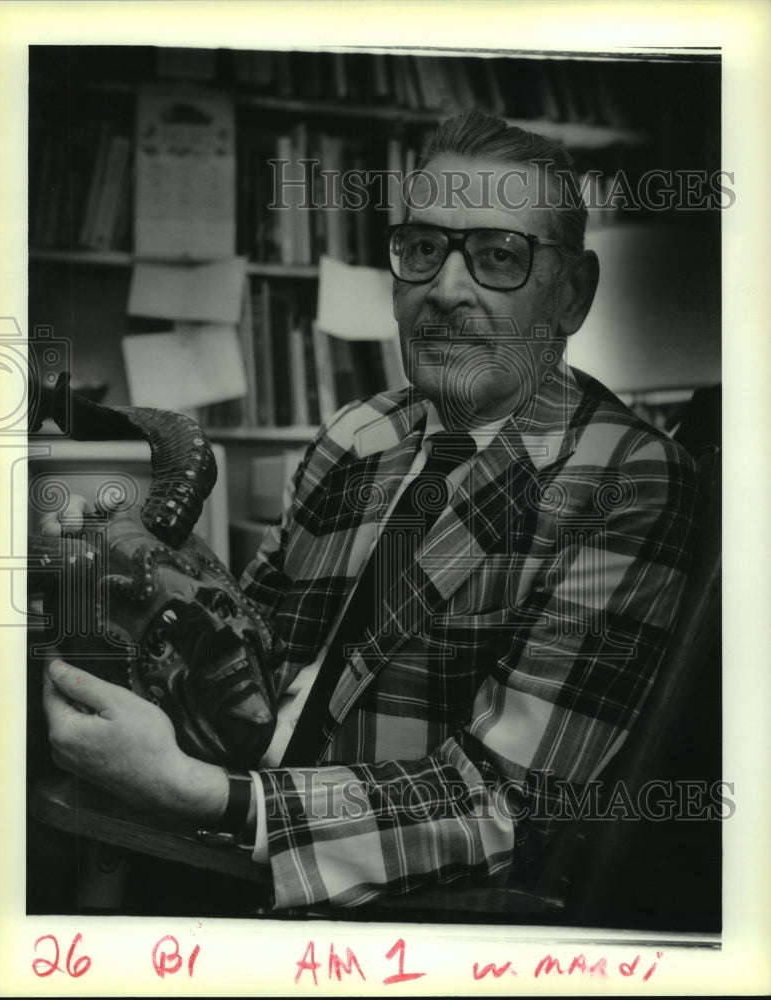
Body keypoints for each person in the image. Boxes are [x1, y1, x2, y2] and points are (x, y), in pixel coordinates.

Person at [42, 110, 700, 912]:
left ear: (572, 293)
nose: (445, 289)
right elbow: (252, 656)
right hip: (223, 805)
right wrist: (124, 588)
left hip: (366, 902)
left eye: (498, 256)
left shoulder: (626, 479)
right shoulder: (360, 433)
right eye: (423, 249)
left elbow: (505, 807)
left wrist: (207, 797)